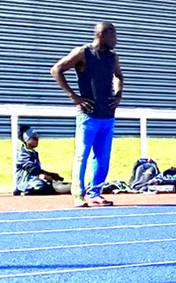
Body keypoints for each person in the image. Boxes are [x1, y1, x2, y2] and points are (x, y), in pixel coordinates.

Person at [51, 21, 123, 206]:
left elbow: (119, 77)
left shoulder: (112, 57)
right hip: (88, 115)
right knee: (82, 155)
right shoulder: (83, 52)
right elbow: (56, 69)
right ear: (102, 35)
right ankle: (78, 194)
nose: (116, 39)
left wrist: (118, 95)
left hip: (107, 116)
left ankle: (95, 193)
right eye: (113, 35)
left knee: (102, 156)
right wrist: (73, 96)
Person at [13, 126, 68, 196]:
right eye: (34, 138)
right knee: (41, 186)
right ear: (27, 140)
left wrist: (51, 175)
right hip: (26, 182)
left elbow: (38, 170)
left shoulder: (34, 153)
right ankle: (25, 190)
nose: (37, 140)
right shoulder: (22, 153)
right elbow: (32, 169)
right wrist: (45, 176)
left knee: (52, 186)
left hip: (36, 180)